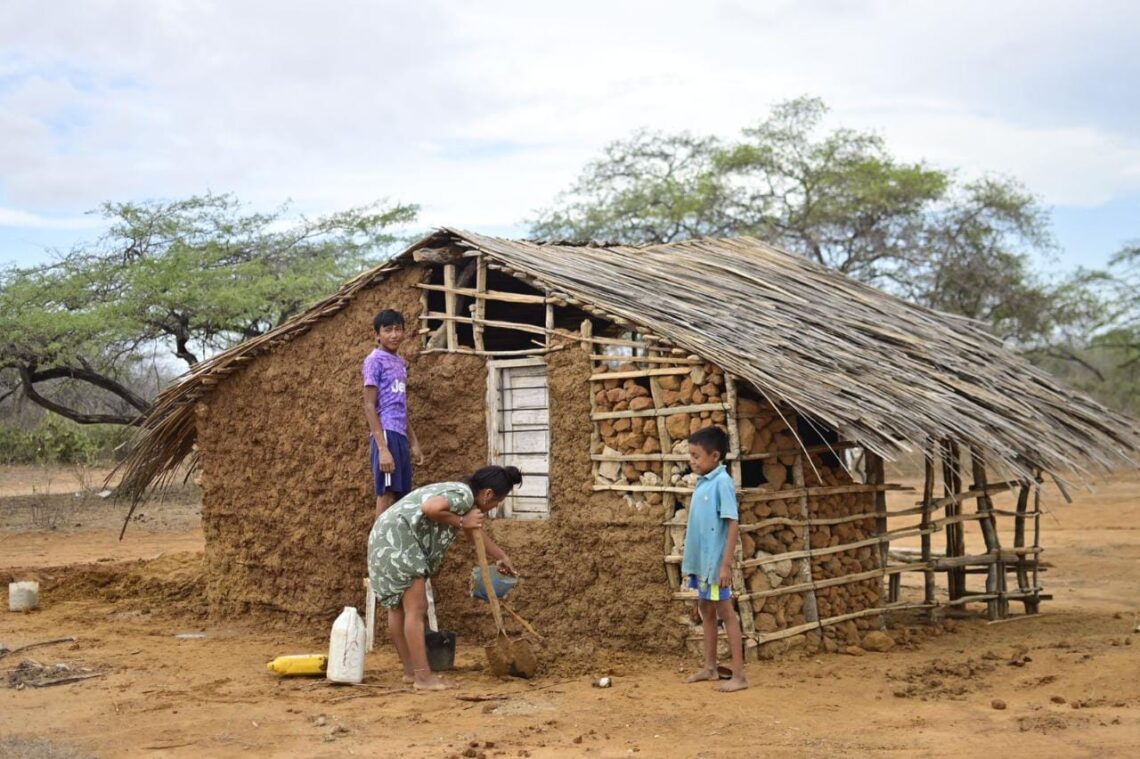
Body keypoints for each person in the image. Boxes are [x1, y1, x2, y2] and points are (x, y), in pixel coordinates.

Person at [367, 465, 521, 690]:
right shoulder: (464, 496)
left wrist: (500, 556)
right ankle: (423, 678)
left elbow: (472, 531)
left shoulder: (458, 494)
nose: (493, 507)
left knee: (398, 609)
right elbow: (431, 508)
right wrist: (462, 522)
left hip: (384, 539)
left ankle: (411, 672)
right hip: (400, 543)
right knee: (416, 609)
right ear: (488, 494)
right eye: (497, 502)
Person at [681, 425, 749, 692]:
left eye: (696, 456)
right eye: (691, 455)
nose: (692, 461)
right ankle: (710, 667)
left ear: (715, 456)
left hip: (715, 564)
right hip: (702, 564)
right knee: (706, 609)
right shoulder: (704, 482)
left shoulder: (722, 483)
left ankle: (740, 676)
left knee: (726, 613)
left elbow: (732, 523)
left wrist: (725, 565)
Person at [362, 309, 424, 517]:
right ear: (377, 335)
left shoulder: (400, 363)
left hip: (399, 435)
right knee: (387, 494)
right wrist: (383, 449)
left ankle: (394, 545)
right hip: (386, 434)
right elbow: (369, 405)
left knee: (401, 495)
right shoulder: (374, 360)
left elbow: (399, 406)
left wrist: (413, 442)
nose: (394, 334)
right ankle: (379, 548)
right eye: (388, 330)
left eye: (398, 329)